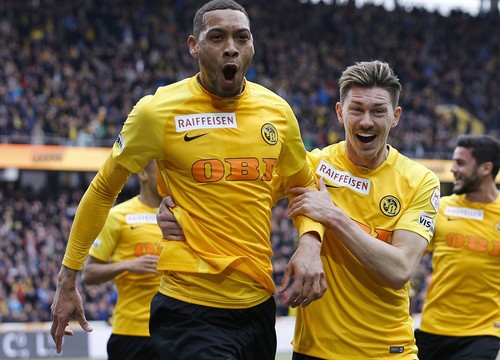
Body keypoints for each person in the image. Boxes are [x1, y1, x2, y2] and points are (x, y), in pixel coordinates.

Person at [50, 1, 327, 359]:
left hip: (257, 306)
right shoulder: (157, 111)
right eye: (217, 37)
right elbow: (104, 189)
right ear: (194, 46)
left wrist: (309, 243)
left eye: (241, 37)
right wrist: (67, 276)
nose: (231, 47)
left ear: (252, 47)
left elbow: (302, 186)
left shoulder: (278, 112)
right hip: (189, 308)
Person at [158, 60, 442, 359]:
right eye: (356, 109)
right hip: (313, 351)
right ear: (340, 112)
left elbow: (399, 269)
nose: (366, 121)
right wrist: (175, 209)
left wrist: (332, 216)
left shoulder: (419, 181)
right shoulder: (312, 166)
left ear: (395, 116)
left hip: (387, 351)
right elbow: (233, 198)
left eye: (378, 111)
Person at [415, 134, 500, 360]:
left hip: (483, 333)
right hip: (431, 328)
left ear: (486, 168)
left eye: (460, 163)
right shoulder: (438, 209)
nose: (452, 169)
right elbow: (406, 260)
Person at [81, 160, 162, 360]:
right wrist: (128, 265)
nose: (169, 176)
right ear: (143, 174)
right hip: (130, 333)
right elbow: (89, 274)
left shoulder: (183, 215)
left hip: (173, 331)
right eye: (162, 170)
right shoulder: (119, 216)